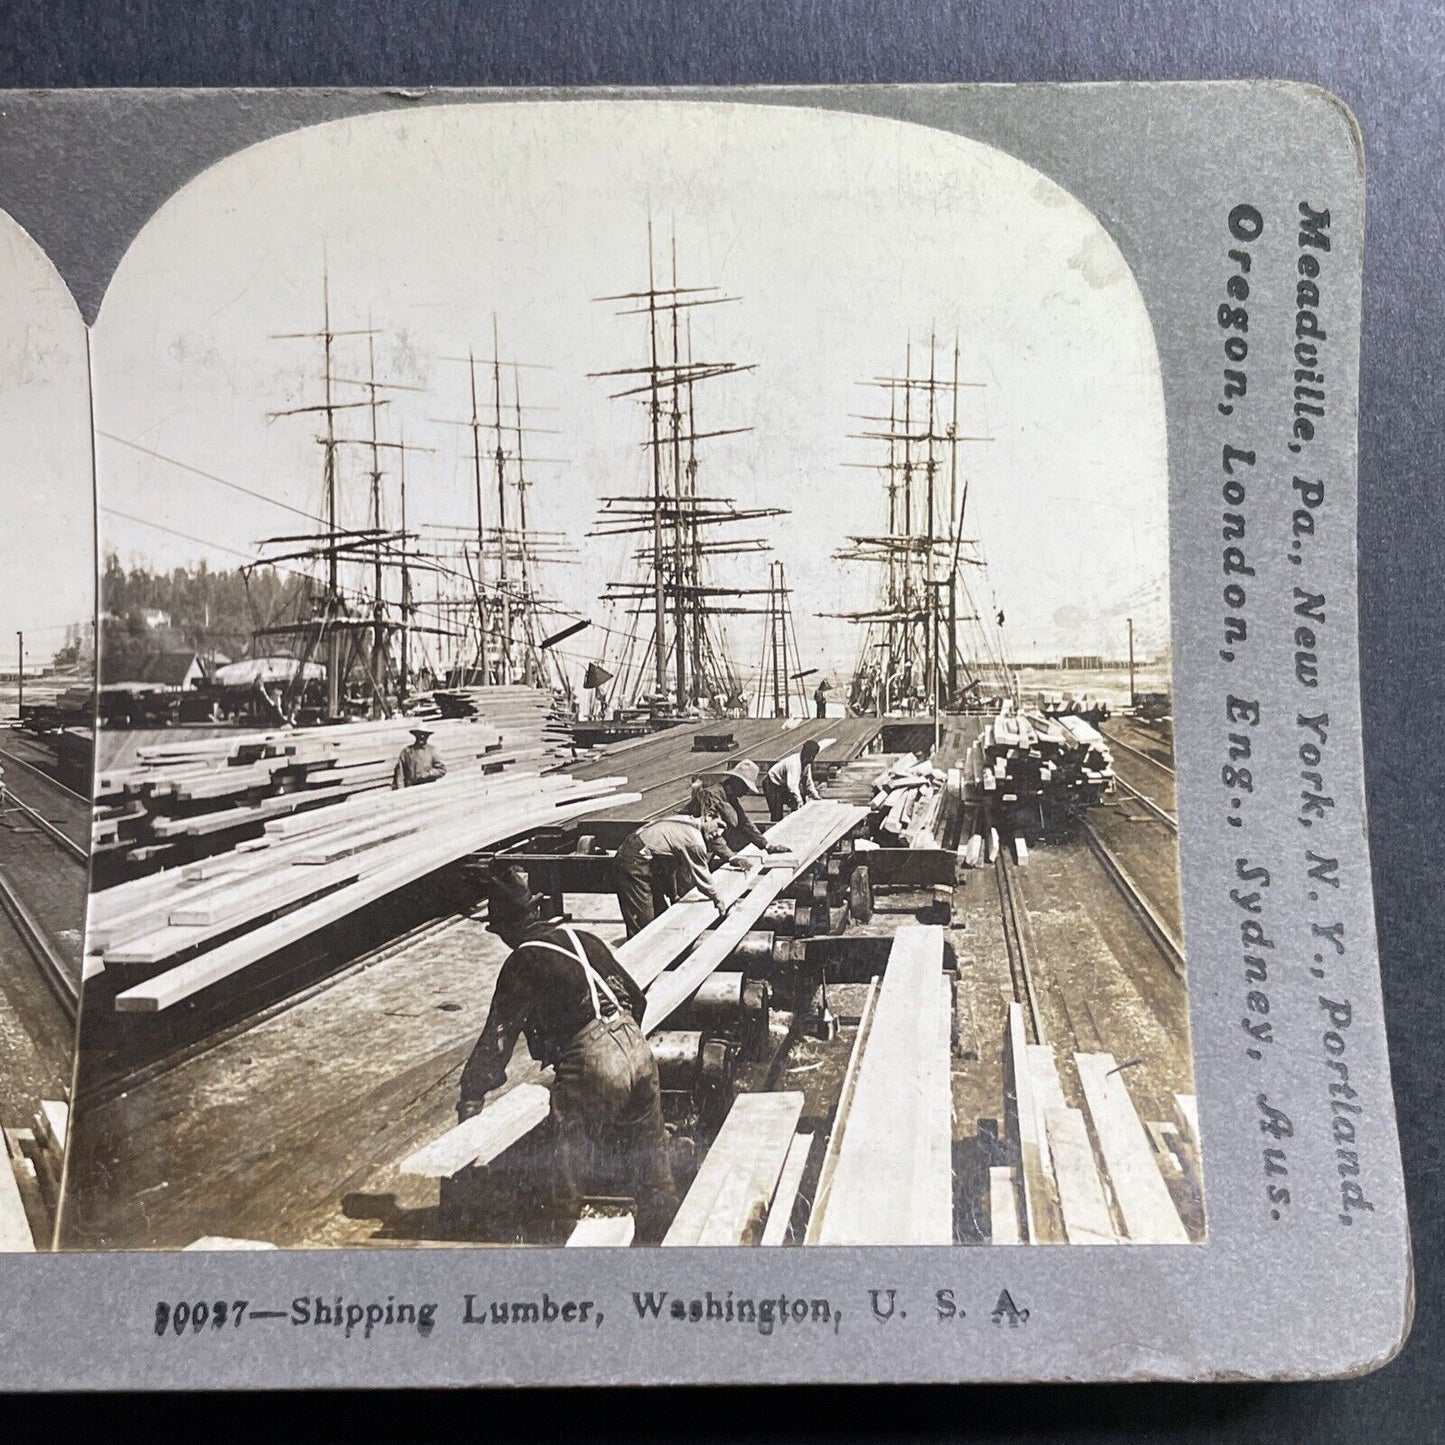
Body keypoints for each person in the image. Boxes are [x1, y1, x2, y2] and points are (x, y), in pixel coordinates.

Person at [457, 864, 677, 1242]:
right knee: (652, 1166)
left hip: (593, 1060)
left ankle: (562, 1238)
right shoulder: (584, 938)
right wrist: (621, 1052)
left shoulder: (523, 960)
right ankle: (666, 1241)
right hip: (639, 1050)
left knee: (567, 1164)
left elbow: (498, 1037)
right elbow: (636, 999)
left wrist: (471, 1095)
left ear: (507, 927)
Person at [613, 812, 730, 938]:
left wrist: (674, 895)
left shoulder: (685, 820)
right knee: (644, 922)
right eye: (719, 825)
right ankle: (638, 953)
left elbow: (671, 867)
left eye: (722, 831)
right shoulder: (694, 841)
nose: (718, 833)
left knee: (661, 914)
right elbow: (701, 875)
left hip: (644, 857)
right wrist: (718, 899)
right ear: (708, 816)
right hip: (632, 860)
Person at [687, 759, 789, 863]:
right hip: (688, 839)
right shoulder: (711, 796)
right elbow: (711, 832)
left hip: (701, 841)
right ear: (736, 782)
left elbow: (744, 822)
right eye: (745, 786)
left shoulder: (730, 797)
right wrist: (732, 857)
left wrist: (767, 846)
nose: (746, 791)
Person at [763, 739, 822, 821]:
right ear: (804, 752)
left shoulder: (806, 763)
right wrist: (799, 801)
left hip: (782, 784)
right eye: (809, 756)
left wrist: (816, 797)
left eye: (813, 756)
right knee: (777, 814)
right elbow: (792, 786)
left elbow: (808, 782)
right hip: (772, 784)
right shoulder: (794, 763)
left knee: (799, 803)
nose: (811, 759)